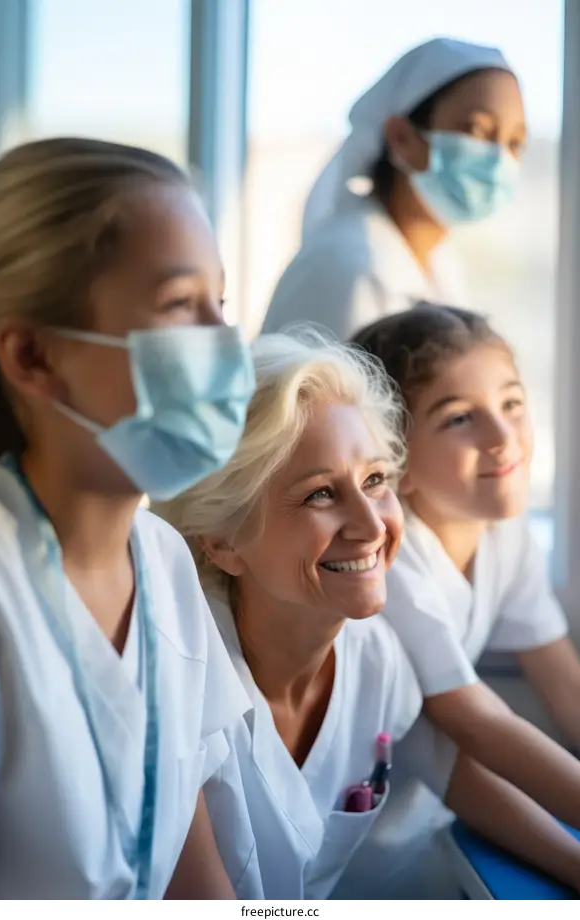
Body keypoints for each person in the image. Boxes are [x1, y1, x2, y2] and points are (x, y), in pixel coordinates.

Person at [158, 329, 580, 899]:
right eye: (320, 495)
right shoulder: (181, 679)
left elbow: (457, 775)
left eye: (376, 481)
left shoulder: (378, 658)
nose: (372, 525)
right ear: (223, 542)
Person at [0, 137, 257, 899]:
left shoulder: (164, 561)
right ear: (32, 355)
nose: (226, 345)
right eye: (178, 307)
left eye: (220, 304)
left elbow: (192, 876)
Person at [332, 304, 580, 897]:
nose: (502, 438)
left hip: (425, 830)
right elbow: (470, 727)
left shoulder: (503, 532)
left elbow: (563, 685)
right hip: (354, 867)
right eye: (460, 419)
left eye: (512, 404)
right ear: (395, 464)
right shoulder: (387, 563)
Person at [261, 37, 526, 341]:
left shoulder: (442, 266)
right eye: (477, 130)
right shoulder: (345, 268)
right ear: (401, 138)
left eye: (515, 143)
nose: (498, 159)